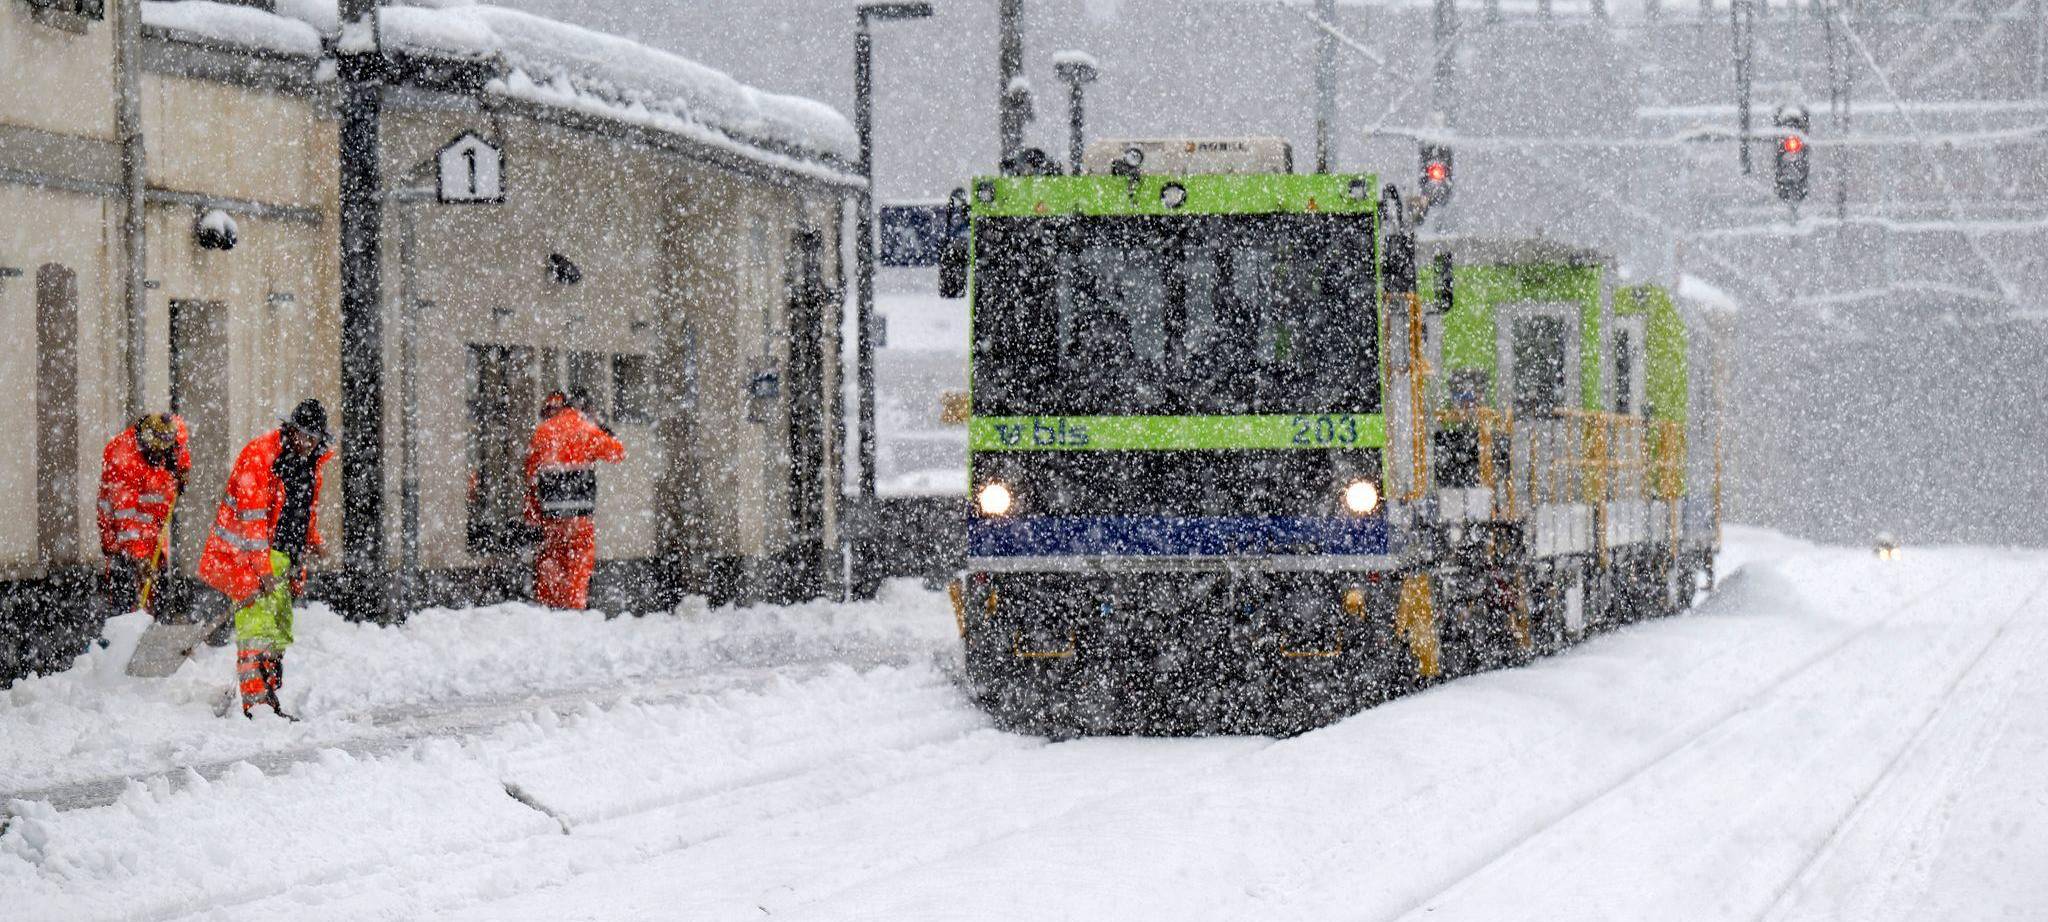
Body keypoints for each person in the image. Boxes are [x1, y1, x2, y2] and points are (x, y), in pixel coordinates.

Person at [197, 400, 332, 719]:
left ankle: (267, 694)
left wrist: (312, 541)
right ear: (290, 429)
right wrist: (262, 568)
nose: (306, 442)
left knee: (278, 629)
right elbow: (252, 518)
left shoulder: (311, 463)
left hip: (285, 558)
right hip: (248, 559)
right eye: (301, 434)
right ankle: (256, 707)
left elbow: (302, 509)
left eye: (313, 437)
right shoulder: (260, 456)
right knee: (256, 629)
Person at [524, 390, 625, 610]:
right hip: (580, 516)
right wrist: (602, 427)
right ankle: (575, 608)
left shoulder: (543, 432)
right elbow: (618, 453)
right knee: (578, 565)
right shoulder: (586, 430)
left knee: (550, 563)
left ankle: (549, 609)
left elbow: (530, 476)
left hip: (551, 516)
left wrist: (531, 516)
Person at [97, 413, 192, 617]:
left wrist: (183, 470)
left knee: (154, 595)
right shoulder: (122, 456)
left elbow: (181, 446)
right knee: (126, 597)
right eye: (156, 452)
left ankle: (151, 621)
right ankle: (122, 633)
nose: (160, 457)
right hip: (120, 540)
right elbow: (125, 518)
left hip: (153, 533)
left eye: (163, 452)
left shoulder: (172, 437)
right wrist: (138, 558)